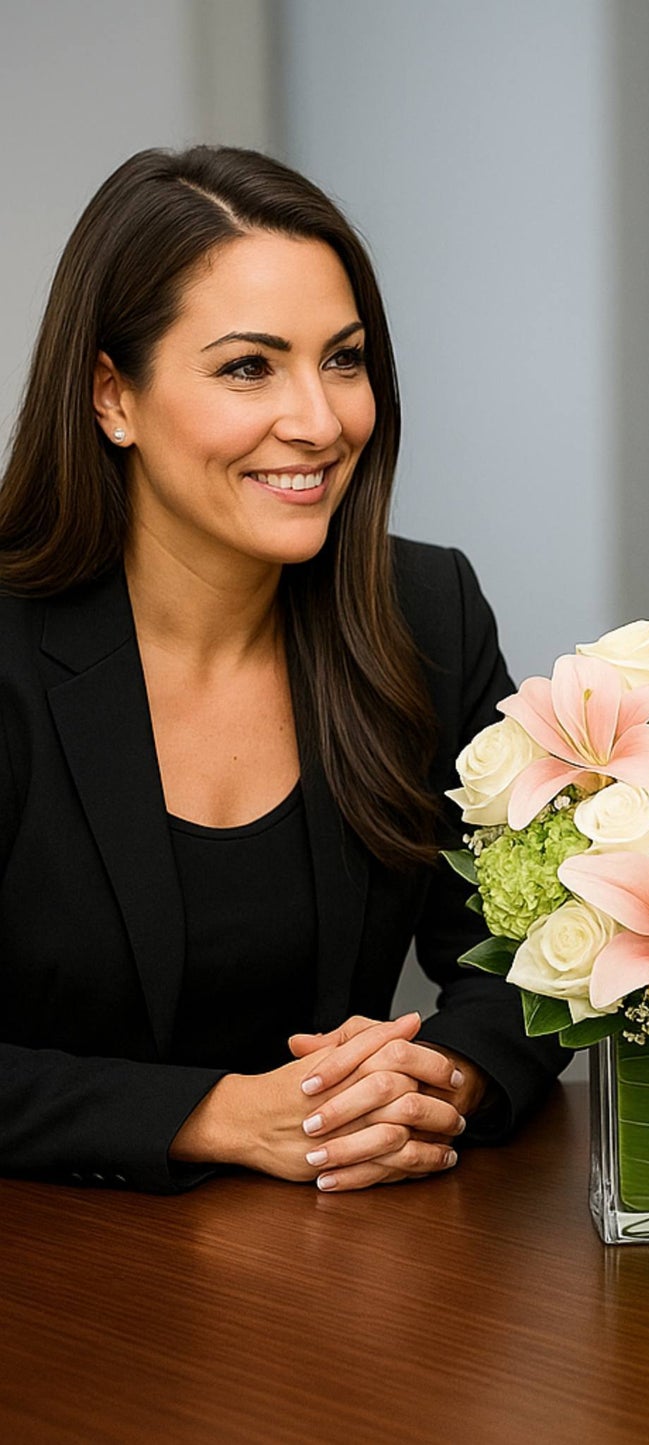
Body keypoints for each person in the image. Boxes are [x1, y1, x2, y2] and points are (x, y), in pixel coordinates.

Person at [0, 146, 565, 1194]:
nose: (319, 419)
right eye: (248, 366)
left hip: (335, 1268)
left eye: (343, 359)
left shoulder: (423, 612)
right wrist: (212, 1115)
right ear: (111, 394)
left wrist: (438, 1073)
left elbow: (528, 949)